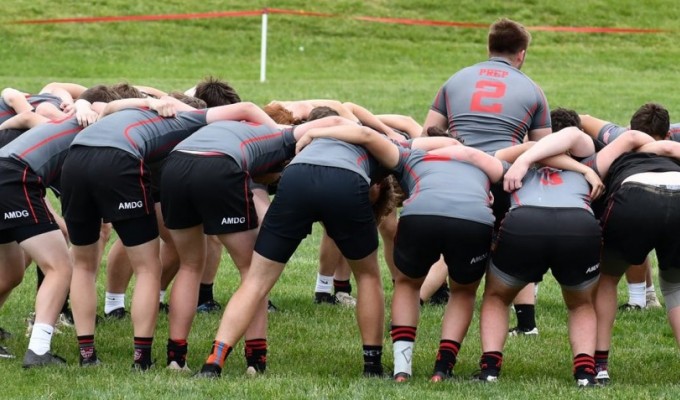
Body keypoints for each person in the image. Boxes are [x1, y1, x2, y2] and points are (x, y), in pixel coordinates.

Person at [60, 96, 279, 369]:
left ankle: (87, 356)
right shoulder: (189, 119)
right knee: (148, 267)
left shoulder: (138, 112)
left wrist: (148, 100)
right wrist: (279, 133)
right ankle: (142, 360)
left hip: (74, 160)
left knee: (83, 264)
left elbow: (107, 106)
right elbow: (247, 107)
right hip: (118, 160)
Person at [0, 85, 117, 367]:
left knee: (11, 272)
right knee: (61, 266)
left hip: (10, 173)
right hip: (16, 178)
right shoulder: (92, 125)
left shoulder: (70, 117)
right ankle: (39, 351)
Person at [580, 103, 669, 309]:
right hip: (634, 196)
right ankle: (644, 297)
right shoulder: (616, 136)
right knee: (636, 229)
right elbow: (581, 119)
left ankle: (645, 297)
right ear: (629, 131)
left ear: (667, 138)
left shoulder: (675, 137)